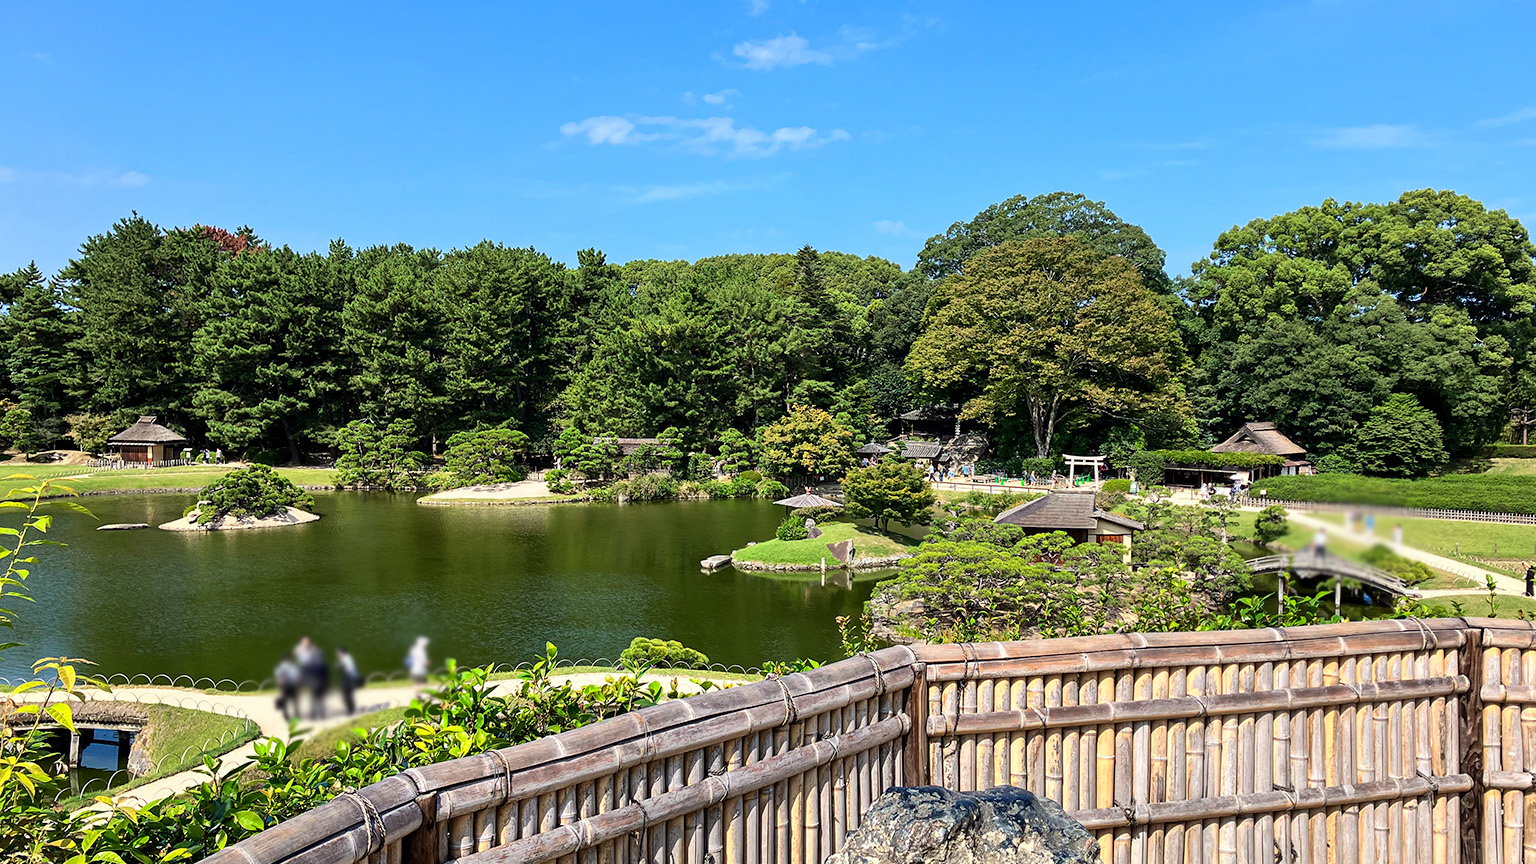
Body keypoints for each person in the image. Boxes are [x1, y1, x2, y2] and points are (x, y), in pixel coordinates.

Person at [274, 655, 301, 721]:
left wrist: (280, 686)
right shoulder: (293, 667)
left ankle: (286, 716)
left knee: (285, 702)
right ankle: (296, 714)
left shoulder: (280, 667)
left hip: (285, 686)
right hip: (293, 686)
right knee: (295, 701)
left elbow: (278, 678)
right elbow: (297, 677)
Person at [336, 646, 360, 715]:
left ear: (341, 652)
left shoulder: (346, 659)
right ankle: (351, 709)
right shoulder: (347, 658)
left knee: (347, 695)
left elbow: (348, 670)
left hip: (348, 679)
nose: (337, 654)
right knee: (348, 695)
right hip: (348, 679)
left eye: (338, 652)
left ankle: (350, 710)